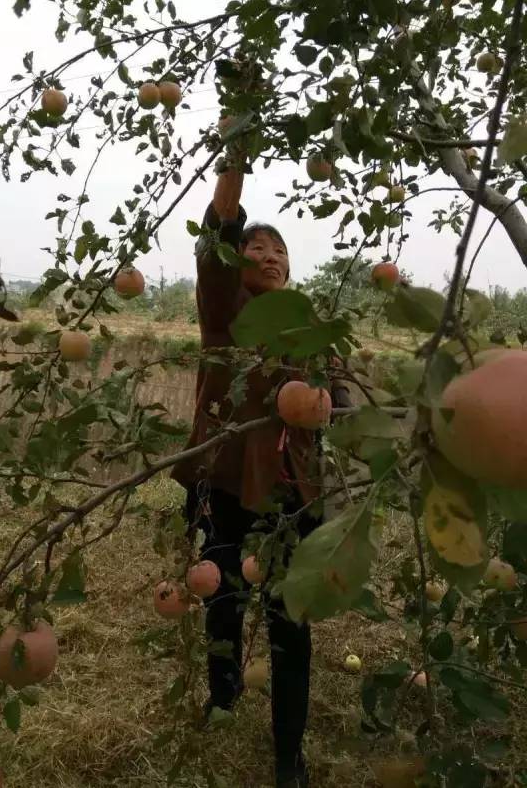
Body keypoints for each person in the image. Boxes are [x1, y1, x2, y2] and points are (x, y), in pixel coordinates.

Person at [171, 143, 352, 788]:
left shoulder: (308, 327)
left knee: (289, 621)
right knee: (222, 597)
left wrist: (333, 404)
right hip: (225, 482)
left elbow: (342, 402)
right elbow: (218, 233)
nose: (270, 257)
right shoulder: (226, 311)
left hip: (292, 495)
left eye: (279, 251)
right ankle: (224, 695)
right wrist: (236, 150)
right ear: (237, 264)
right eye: (256, 249)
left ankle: (287, 753)